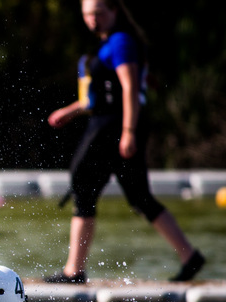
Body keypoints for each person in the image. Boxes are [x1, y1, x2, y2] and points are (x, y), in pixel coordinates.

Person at [45, 0, 204, 284]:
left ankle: (74, 270)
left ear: (114, 11)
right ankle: (189, 256)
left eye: (99, 13)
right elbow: (97, 97)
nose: (93, 20)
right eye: (87, 14)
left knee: (83, 183)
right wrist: (69, 112)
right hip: (111, 123)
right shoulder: (108, 43)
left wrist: (128, 131)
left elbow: (129, 88)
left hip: (114, 126)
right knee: (138, 194)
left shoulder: (120, 42)